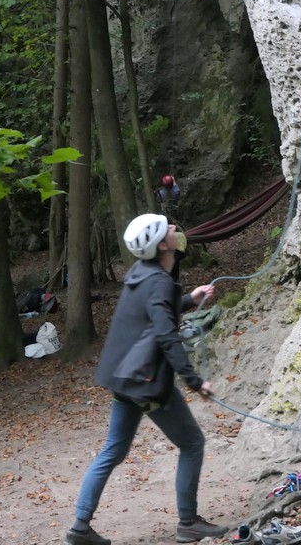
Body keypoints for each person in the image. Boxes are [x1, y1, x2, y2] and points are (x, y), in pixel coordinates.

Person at [65, 214, 226, 545]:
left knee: (112, 450)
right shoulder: (158, 281)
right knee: (193, 443)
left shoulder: (143, 274)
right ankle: (188, 523)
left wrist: (190, 300)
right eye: (168, 229)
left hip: (123, 377)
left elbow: (158, 311)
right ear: (162, 245)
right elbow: (167, 337)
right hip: (145, 379)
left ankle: (79, 528)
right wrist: (196, 382)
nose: (174, 229)